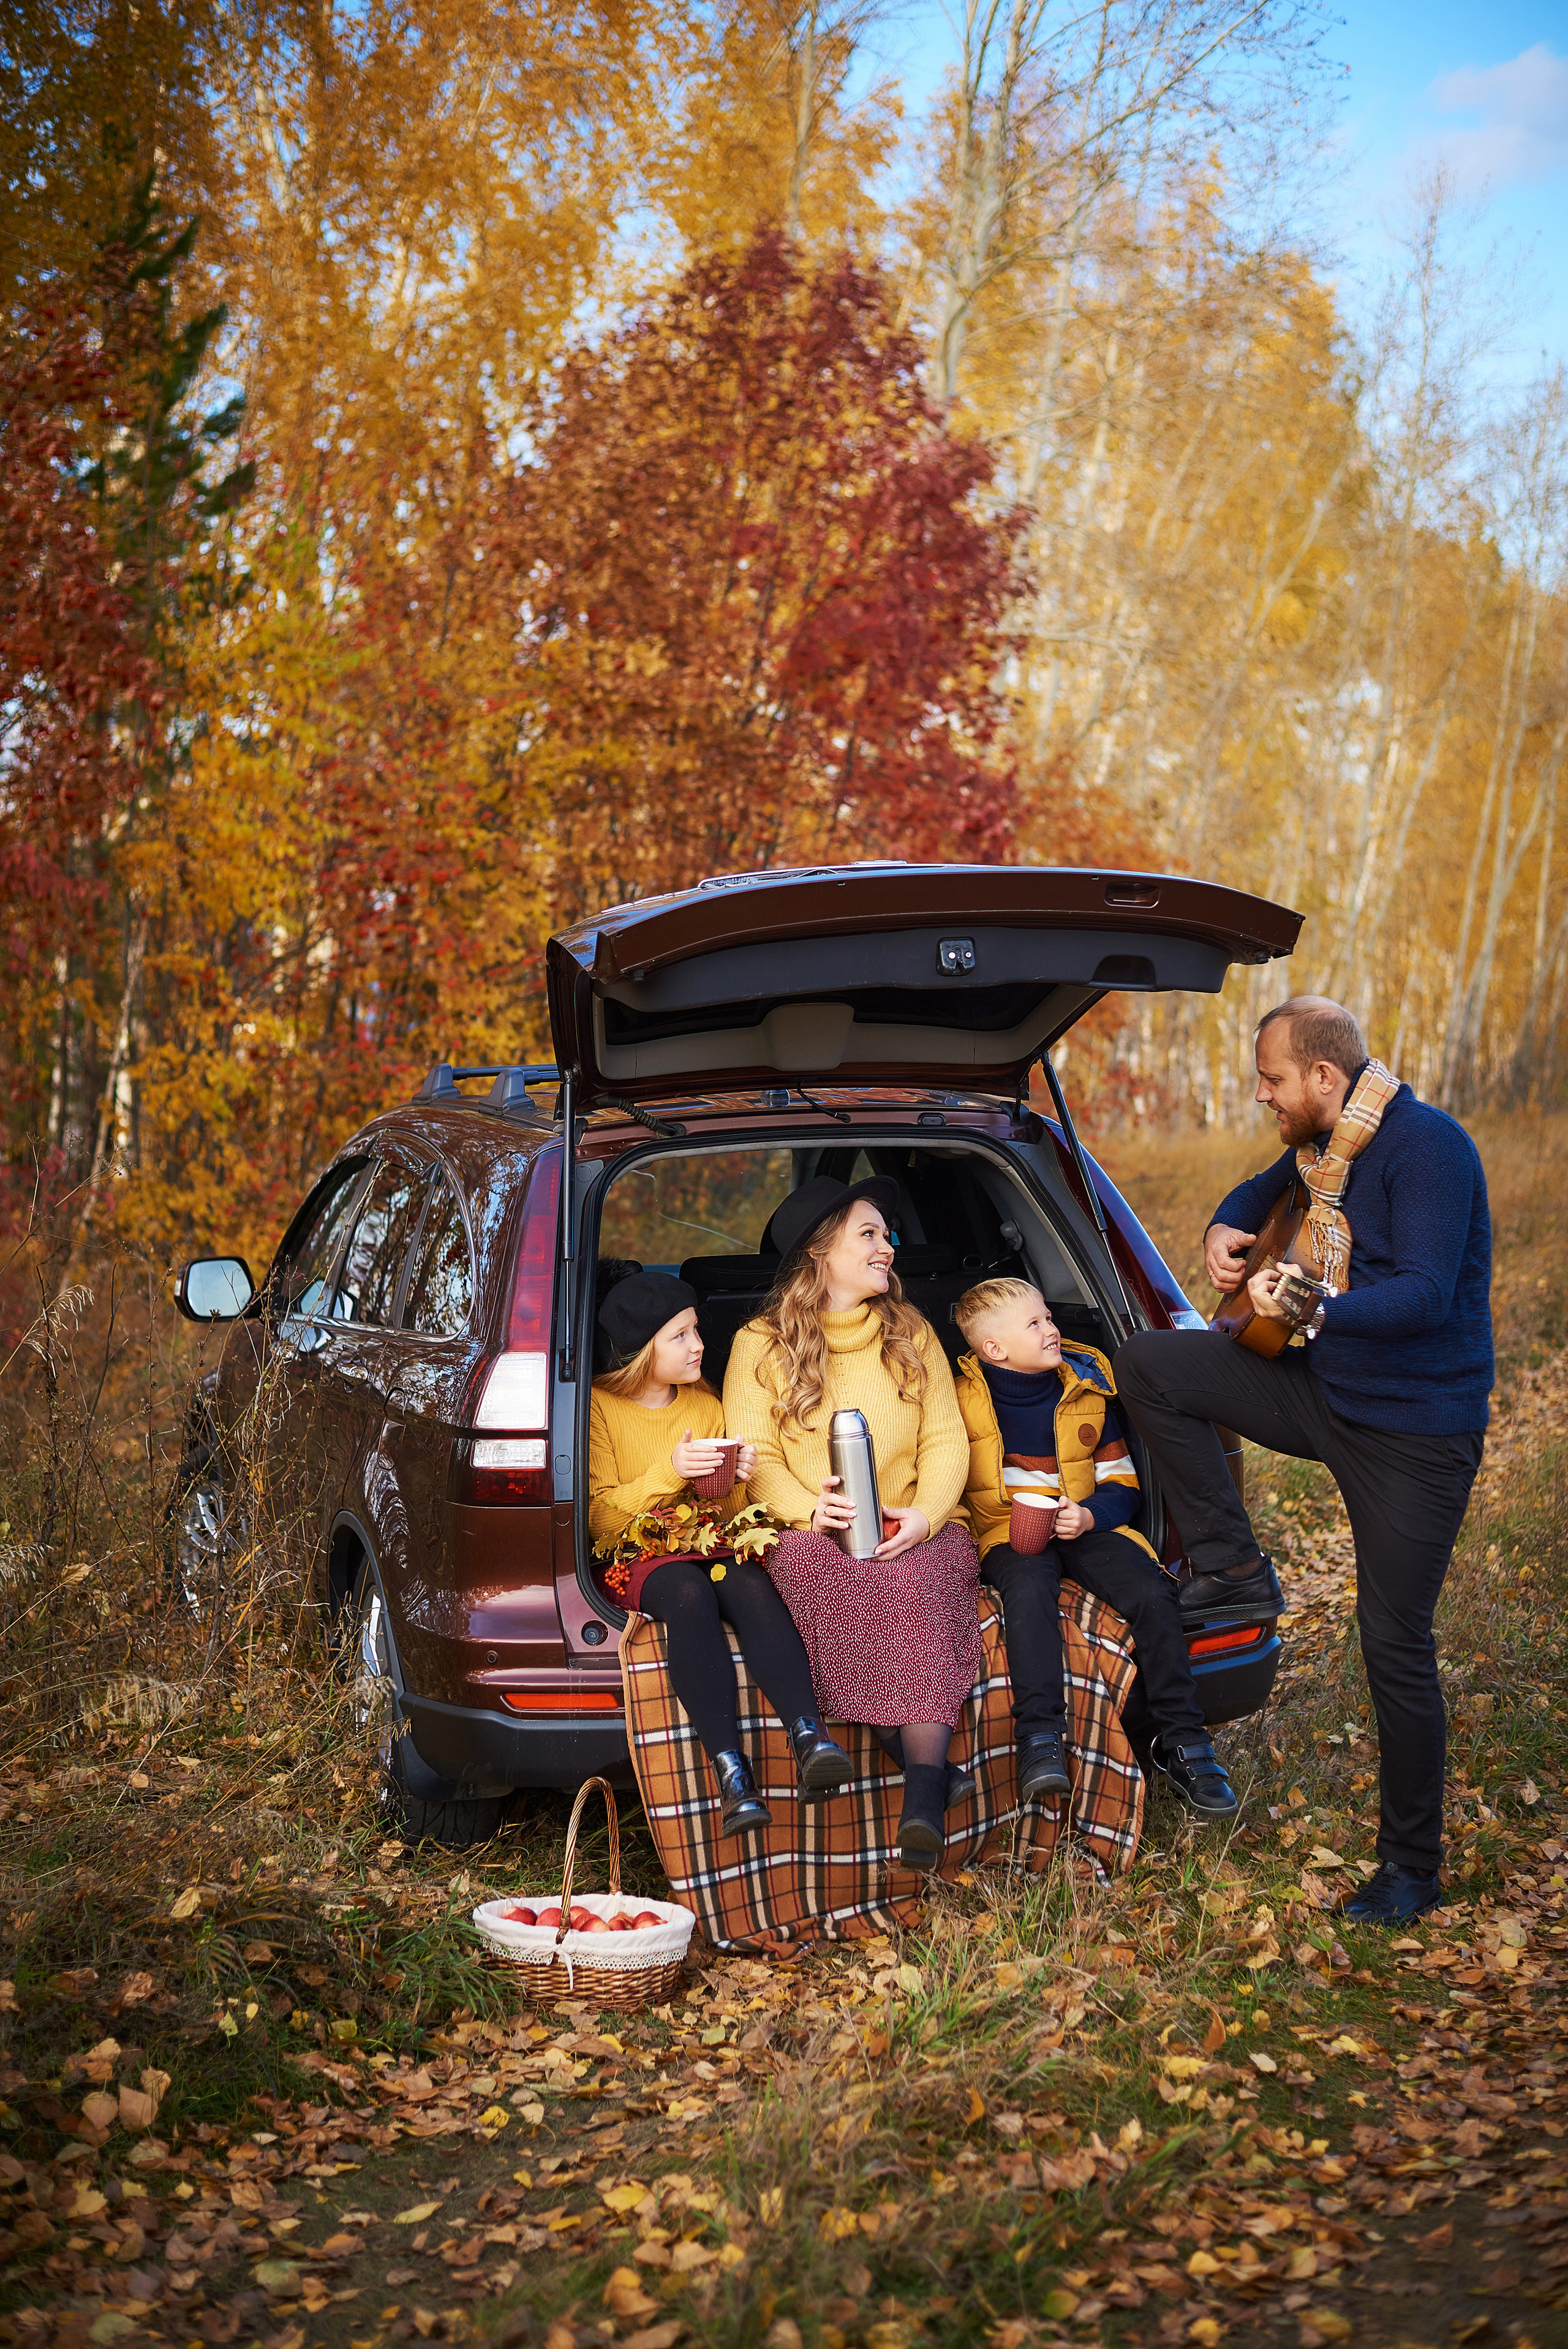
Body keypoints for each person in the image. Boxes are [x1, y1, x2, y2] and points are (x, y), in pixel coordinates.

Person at [1114, 996, 1493, 1925]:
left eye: (1271, 1079)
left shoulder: (1429, 1150)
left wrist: (1309, 1303)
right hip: (1325, 1393)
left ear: (1325, 1076)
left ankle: (1410, 1867)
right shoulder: (1327, 1148)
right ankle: (1234, 1569)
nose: (1262, 1095)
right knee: (1151, 1362)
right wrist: (1222, 1226)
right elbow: (1258, 1191)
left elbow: (1425, 1295)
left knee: (1393, 1643)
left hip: (1415, 1432)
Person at [723, 1176, 981, 1872]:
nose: (888, 1246)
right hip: (812, 1529)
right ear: (819, 1252)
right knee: (821, 1572)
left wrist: (926, 1516)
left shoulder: (910, 1330)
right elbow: (755, 1454)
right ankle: (931, 1775)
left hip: (917, 1520)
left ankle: (922, 1801)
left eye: (886, 1234)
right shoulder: (758, 1344)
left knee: (914, 1587)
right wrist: (809, 1510)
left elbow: (945, 1439)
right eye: (868, 1234)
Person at [954, 1278, 1238, 1819]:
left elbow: (1122, 1484)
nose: (1052, 1329)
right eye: (1034, 1323)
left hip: (1085, 1523)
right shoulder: (959, 1402)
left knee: (1151, 1592)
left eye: (1048, 1316)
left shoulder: (1085, 1392)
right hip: (1006, 1530)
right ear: (994, 1348)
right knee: (1028, 1592)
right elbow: (948, 1480)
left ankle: (1185, 1741)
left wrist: (1089, 1516)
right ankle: (1040, 1739)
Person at [589, 1270, 852, 1836]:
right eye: (680, 1335)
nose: (699, 1345)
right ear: (643, 1348)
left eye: (696, 1330)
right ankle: (733, 1774)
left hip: (704, 1540)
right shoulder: (598, 1408)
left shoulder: (704, 1404)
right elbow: (600, 1519)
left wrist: (736, 1480)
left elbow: (725, 1510)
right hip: (634, 1553)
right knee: (688, 1594)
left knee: (751, 1586)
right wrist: (672, 1471)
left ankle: (810, 1737)